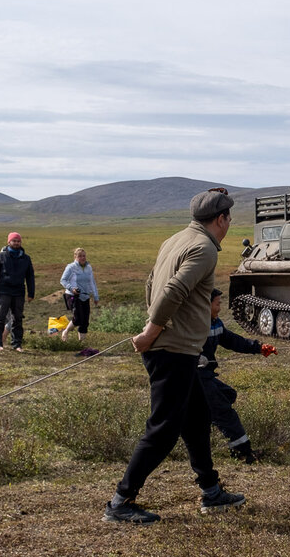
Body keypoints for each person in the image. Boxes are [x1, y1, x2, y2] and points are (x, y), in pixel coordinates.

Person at [103, 188, 244, 523]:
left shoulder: (175, 239)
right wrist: (153, 331)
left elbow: (151, 284)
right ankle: (120, 502)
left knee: (196, 418)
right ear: (221, 218)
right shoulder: (204, 247)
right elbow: (173, 290)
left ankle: (212, 491)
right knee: (163, 428)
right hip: (173, 349)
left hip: (177, 347)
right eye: (229, 219)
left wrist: (153, 325)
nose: (229, 225)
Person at [199, 288, 276, 464]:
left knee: (228, 395)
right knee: (224, 411)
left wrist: (259, 347)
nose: (220, 308)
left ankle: (204, 426)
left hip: (206, 375)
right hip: (194, 377)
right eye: (217, 304)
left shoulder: (215, 323)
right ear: (205, 305)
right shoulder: (194, 325)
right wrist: (194, 358)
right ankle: (243, 452)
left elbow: (232, 340)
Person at [0, 232, 35, 351]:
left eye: (18, 241)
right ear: (9, 242)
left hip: (19, 292)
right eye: (14, 241)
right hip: (4, 291)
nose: (16, 243)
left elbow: (30, 276)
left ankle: (17, 344)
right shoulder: (0, 256)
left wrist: (31, 293)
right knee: (0, 318)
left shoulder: (26, 258)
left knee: (17, 319)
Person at [59, 247, 99, 342]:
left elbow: (92, 282)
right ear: (75, 257)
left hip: (85, 296)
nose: (82, 258)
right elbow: (63, 280)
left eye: (84, 256)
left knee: (85, 321)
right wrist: (71, 288)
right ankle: (66, 331)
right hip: (73, 295)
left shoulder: (89, 267)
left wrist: (95, 296)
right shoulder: (71, 267)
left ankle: (82, 342)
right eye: (80, 256)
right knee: (78, 318)